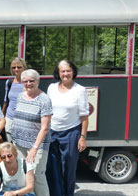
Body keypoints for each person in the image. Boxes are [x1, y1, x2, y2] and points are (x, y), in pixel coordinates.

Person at [46, 60, 89, 196]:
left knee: (68, 168)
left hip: (71, 132)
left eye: (68, 70)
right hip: (52, 132)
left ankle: (68, 193)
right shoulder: (52, 88)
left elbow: (84, 117)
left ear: (73, 72)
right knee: (53, 166)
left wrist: (82, 137)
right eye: (62, 71)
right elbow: (47, 111)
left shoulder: (79, 90)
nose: (65, 73)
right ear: (58, 73)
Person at [10, 69, 52, 196]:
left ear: (37, 81)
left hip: (36, 146)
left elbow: (44, 128)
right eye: (25, 81)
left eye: (31, 81)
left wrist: (34, 148)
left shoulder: (44, 99)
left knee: (37, 176)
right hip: (19, 144)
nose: (28, 83)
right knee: (24, 175)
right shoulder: (20, 97)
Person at [2, 57, 27, 141]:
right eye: (13, 67)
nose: (16, 69)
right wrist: (2, 118)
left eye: (19, 67)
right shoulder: (9, 82)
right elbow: (6, 101)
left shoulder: (28, 82)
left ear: (24, 68)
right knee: (11, 148)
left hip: (23, 120)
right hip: (10, 119)